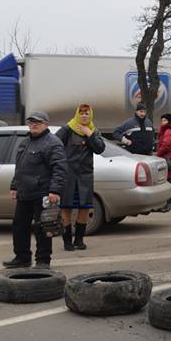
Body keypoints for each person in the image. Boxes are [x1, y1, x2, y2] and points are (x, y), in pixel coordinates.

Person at [2, 111, 67, 269]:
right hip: (25, 193)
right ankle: (22, 257)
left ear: (46, 124)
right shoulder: (25, 142)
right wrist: (14, 186)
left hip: (42, 193)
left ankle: (43, 260)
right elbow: (20, 168)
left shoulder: (53, 142)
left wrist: (55, 190)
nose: (34, 125)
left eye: (37, 122)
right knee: (19, 226)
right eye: (31, 122)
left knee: (43, 227)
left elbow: (60, 168)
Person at [56, 104, 106, 252]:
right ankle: (67, 242)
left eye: (87, 113)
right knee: (66, 208)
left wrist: (89, 134)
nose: (84, 115)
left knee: (84, 208)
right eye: (82, 113)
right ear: (77, 114)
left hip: (85, 176)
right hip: (68, 175)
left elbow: (100, 148)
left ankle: (79, 240)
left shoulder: (93, 130)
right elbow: (54, 145)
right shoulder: (67, 129)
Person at [156, 113, 171, 212]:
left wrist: (158, 154)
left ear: (169, 122)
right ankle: (169, 200)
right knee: (169, 179)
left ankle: (169, 201)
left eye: (165, 121)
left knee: (167, 180)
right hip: (170, 158)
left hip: (167, 158)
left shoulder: (168, 132)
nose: (162, 123)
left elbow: (165, 145)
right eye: (162, 120)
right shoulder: (170, 130)